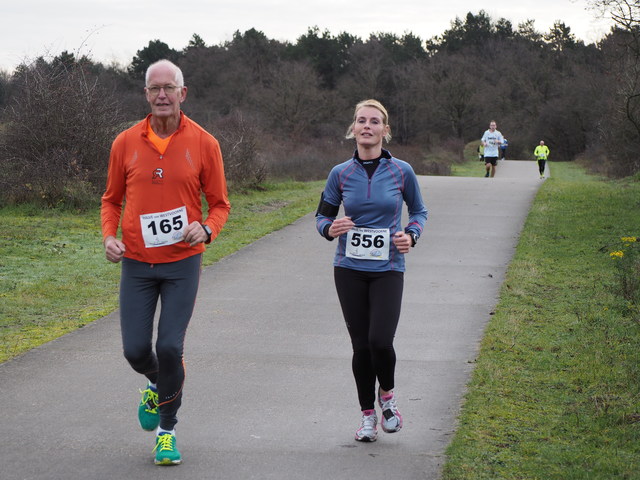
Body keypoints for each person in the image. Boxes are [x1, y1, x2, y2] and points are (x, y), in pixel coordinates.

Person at [101, 59, 230, 465]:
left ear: (182, 93)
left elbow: (221, 205)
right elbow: (111, 200)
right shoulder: (124, 142)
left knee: (170, 346)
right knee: (137, 351)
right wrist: (109, 236)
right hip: (137, 263)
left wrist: (207, 229)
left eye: (168, 88)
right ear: (145, 95)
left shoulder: (205, 143)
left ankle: (166, 431)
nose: (161, 95)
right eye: (154, 88)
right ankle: (158, 382)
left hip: (181, 263)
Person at [315, 99, 427, 443]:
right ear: (353, 128)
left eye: (374, 121)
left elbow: (419, 212)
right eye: (361, 121)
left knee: (380, 340)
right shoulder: (340, 173)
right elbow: (322, 217)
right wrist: (330, 229)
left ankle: (388, 398)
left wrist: (411, 235)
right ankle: (367, 418)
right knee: (361, 346)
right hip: (348, 268)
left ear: (385, 130)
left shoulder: (401, 171)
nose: (367, 126)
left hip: (389, 267)